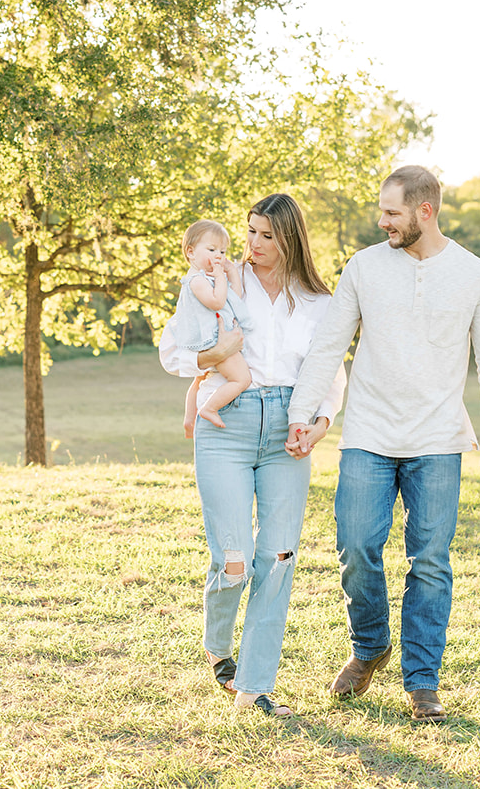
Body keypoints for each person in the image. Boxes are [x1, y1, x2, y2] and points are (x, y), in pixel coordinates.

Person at [285, 165, 480, 721]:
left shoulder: (475, 274)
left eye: (392, 213)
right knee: (356, 545)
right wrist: (303, 412)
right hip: (368, 431)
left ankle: (422, 682)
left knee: (430, 561)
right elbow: (327, 346)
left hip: (437, 438)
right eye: (382, 211)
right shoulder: (364, 267)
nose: (382, 221)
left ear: (425, 211)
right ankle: (369, 647)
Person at [159, 193, 348, 718]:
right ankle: (218, 647)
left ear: (290, 238)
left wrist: (319, 423)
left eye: (267, 235)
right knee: (235, 559)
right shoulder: (218, 279)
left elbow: (330, 373)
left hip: (289, 427)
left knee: (279, 557)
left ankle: (254, 684)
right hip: (227, 422)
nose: (254, 245)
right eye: (250, 232)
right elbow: (173, 349)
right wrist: (212, 356)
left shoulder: (320, 302)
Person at [169, 220, 255, 434]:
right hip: (215, 340)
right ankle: (209, 408)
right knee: (242, 379)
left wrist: (231, 274)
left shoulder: (208, 278)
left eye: (223, 251)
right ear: (191, 252)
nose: (219, 256)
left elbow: (233, 298)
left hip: (215, 338)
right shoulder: (196, 281)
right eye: (212, 249)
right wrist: (219, 276)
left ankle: (190, 420)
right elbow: (217, 302)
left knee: (200, 378)